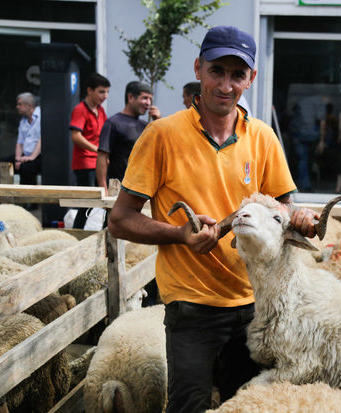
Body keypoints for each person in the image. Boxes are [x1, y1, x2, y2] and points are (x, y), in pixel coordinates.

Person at [107, 26, 319, 412]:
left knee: (246, 405)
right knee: (189, 405)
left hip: (254, 303)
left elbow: (283, 209)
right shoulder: (162, 136)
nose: (225, 85)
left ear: (250, 79)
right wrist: (178, 234)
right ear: (199, 69)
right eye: (216, 71)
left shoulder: (263, 138)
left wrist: (301, 217)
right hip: (192, 306)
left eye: (237, 75)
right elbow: (119, 220)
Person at [96, 81, 161, 195]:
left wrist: (159, 121)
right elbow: (102, 156)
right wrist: (103, 189)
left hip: (141, 189)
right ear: (130, 97)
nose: (148, 103)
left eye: (150, 99)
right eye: (145, 98)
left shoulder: (146, 125)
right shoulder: (113, 123)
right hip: (119, 189)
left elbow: (162, 149)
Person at [70, 72, 111, 228]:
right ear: (89, 91)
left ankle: (105, 233)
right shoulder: (80, 109)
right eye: (101, 91)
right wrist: (98, 150)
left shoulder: (100, 111)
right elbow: (76, 136)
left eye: (107, 92)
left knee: (107, 200)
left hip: (100, 163)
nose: (105, 96)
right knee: (85, 203)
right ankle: (78, 234)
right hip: (85, 164)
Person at [290, 94, 326, 192]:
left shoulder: (300, 103)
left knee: (303, 160)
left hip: (298, 135)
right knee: (308, 160)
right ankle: (306, 185)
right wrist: (322, 141)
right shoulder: (319, 103)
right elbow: (322, 123)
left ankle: (303, 184)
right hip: (312, 135)